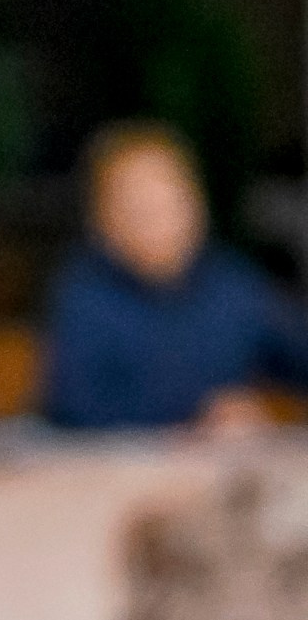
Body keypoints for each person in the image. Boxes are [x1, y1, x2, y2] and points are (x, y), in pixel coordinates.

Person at [42, 121, 308, 429]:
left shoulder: (233, 286)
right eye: (137, 202)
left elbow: (297, 354)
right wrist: (198, 423)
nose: (158, 214)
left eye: (169, 195)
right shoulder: (84, 297)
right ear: (102, 221)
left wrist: (261, 410)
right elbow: (75, 412)